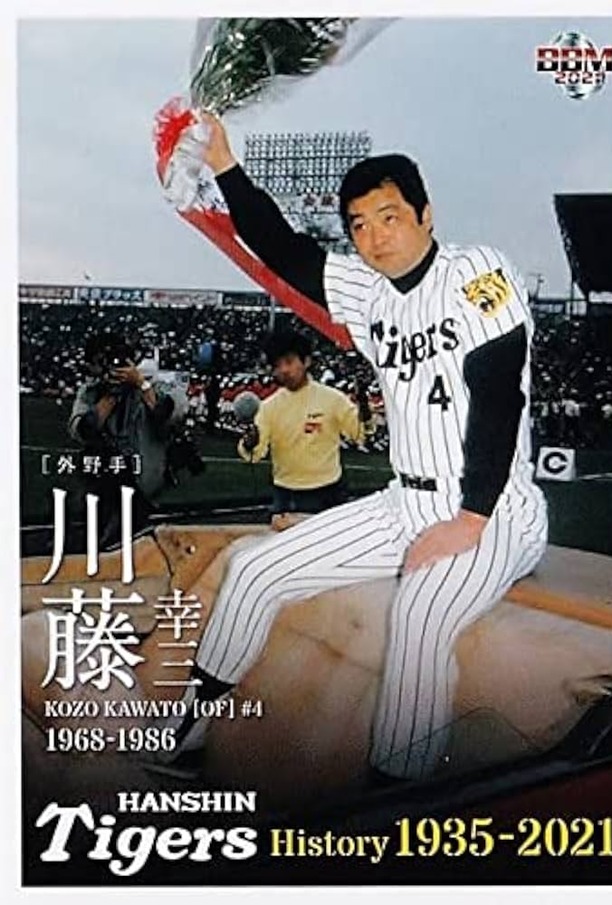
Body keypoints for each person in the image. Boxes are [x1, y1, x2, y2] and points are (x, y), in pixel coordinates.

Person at [161, 114, 548, 783]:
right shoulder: (367, 292)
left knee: (421, 614)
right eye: (359, 224)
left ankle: (397, 793)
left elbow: (499, 393)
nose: (374, 236)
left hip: (496, 509)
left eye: (389, 217)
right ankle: (188, 732)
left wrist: (470, 519)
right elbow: (282, 250)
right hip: (405, 502)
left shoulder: (477, 271)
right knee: (254, 568)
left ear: (426, 215)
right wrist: (225, 163)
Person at [237, 327, 373, 530]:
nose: (284, 370)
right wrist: (249, 443)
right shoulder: (268, 407)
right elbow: (254, 454)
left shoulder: (333, 399)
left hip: (329, 492)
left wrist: (365, 410)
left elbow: (360, 434)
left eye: (289, 362)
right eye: (278, 365)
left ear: (306, 361)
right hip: (286, 494)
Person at [69, 333, 183, 546]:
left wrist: (141, 384)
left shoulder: (155, 385)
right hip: (103, 483)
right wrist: (111, 395)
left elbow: (170, 414)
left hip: (143, 481)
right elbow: (82, 431)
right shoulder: (92, 392)